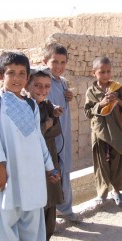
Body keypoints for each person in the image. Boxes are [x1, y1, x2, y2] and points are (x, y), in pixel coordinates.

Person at [0, 52, 58, 241]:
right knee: (5, 230)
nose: (17, 78)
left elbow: (38, 139)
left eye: (22, 73)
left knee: (33, 229)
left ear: (27, 78)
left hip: (32, 177)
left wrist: (49, 167)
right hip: (7, 176)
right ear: (0, 76)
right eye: (11, 73)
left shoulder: (31, 104)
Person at [84, 56, 122, 207]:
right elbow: (88, 112)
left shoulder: (117, 89)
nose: (106, 75)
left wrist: (117, 101)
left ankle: (117, 191)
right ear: (94, 73)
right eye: (102, 72)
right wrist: (101, 104)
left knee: (117, 162)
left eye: (108, 72)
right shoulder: (91, 91)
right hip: (100, 133)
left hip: (116, 131)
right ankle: (102, 192)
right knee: (101, 163)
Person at [25, 66, 63, 241]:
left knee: (51, 201)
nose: (42, 90)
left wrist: (47, 125)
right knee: (34, 205)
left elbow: (56, 130)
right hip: (32, 163)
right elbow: (30, 135)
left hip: (50, 159)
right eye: (38, 85)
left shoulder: (48, 106)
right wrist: (47, 124)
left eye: (46, 86)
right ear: (28, 86)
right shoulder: (24, 106)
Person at [42, 42, 80, 222]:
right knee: (52, 173)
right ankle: (50, 215)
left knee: (64, 171)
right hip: (50, 136)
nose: (59, 66)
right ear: (45, 61)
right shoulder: (41, 80)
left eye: (63, 62)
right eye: (54, 62)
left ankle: (65, 209)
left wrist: (69, 95)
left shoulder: (63, 82)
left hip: (63, 134)